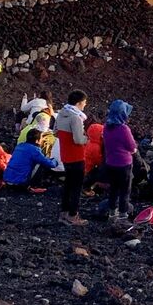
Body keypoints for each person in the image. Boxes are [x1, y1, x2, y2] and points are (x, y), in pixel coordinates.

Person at [53, 91, 90, 225]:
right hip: (76, 156)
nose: (85, 105)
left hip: (65, 155)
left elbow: (55, 132)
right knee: (76, 187)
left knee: (68, 185)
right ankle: (73, 215)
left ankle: (64, 213)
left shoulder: (62, 114)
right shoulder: (76, 118)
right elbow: (79, 139)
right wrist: (87, 139)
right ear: (79, 102)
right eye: (84, 102)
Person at [101, 100, 137, 218]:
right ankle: (123, 214)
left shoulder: (106, 127)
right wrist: (134, 150)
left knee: (113, 189)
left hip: (110, 163)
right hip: (124, 164)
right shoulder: (123, 129)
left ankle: (112, 212)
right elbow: (132, 147)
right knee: (125, 191)